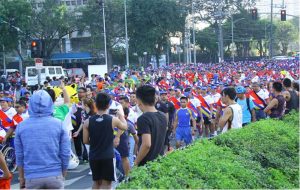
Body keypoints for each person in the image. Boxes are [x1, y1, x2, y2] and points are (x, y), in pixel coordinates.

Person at [15, 90, 71, 189]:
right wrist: (63, 173)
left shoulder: (21, 126)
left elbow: (19, 156)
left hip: (32, 176)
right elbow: (65, 153)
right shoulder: (59, 124)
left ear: (30, 104)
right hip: (55, 175)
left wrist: (21, 177)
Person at [82, 93, 127, 189]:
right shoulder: (113, 120)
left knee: (96, 183)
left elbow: (85, 141)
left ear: (96, 104)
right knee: (107, 184)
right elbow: (125, 126)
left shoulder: (87, 121)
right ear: (108, 105)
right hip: (108, 155)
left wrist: (95, 142)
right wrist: (121, 115)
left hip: (94, 155)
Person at [134, 85, 167, 166]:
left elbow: (147, 144)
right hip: (160, 161)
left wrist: (136, 162)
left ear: (139, 101)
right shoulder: (163, 116)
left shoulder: (143, 118)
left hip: (147, 164)